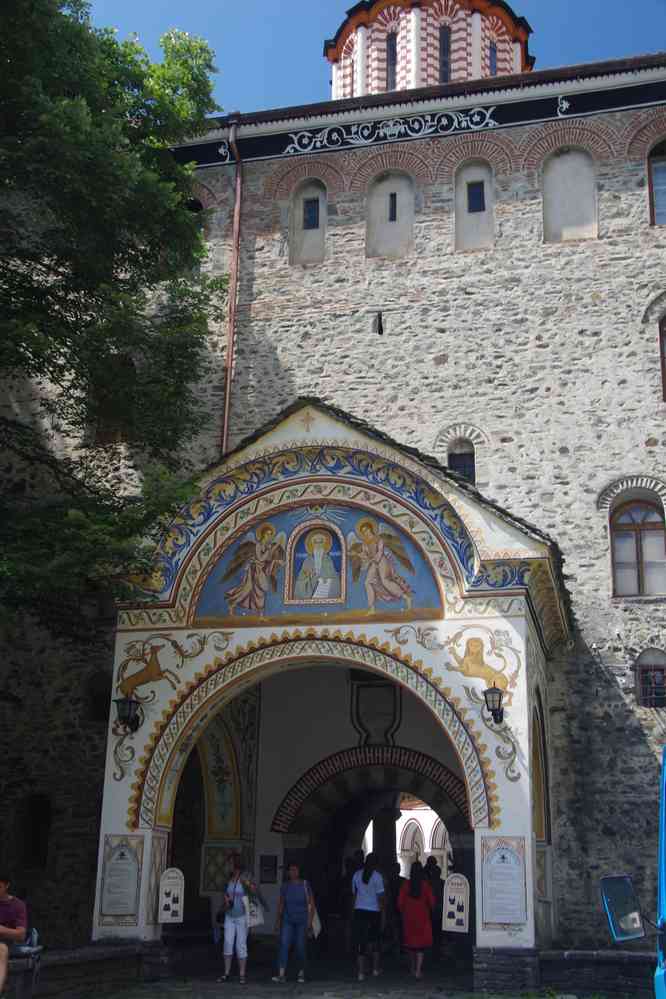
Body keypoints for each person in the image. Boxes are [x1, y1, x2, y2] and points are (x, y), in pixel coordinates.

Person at [217, 854, 257, 984]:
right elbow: (225, 894)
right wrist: (226, 900)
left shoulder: (245, 878)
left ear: (236, 865)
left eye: (230, 863)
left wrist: (251, 887)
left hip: (242, 917)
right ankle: (226, 973)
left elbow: (253, 893)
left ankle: (242, 974)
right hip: (230, 915)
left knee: (241, 945)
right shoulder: (228, 879)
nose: (228, 866)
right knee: (227, 943)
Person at [272, 863, 314, 984]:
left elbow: (311, 904)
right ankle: (281, 974)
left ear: (299, 871)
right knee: (284, 944)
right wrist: (277, 921)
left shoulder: (305, 884)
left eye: (295, 870)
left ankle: (301, 972)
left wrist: (310, 923)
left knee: (300, 946)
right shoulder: (285, 886)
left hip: (302, 920)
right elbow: (281, 904)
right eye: (290, 870)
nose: (293, 872)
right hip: (287, 920)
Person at [351, 853, 385, 982]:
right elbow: (381, 899)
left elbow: (354, 896)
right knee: (375, 941)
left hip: (359, 911)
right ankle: (375, 969)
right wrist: (384, 916)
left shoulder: (356, 875)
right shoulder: (377, 877)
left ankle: (360, 972)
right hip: (374, 912)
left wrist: (352, 913)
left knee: (361, 942)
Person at [398, 861, 434, 980]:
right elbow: (432, 902)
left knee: (410, 945)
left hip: (408, 918)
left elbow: (399, 903)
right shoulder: (425, 885)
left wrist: (403, 912)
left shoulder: (405, 885)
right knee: (420, 946)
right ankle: (418, 971)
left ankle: (412, 968)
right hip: (422, 918)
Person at [0, 875, 27, 994]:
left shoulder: (17, 905)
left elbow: (21, 934)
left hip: (6, 943)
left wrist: (2, 930)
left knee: (2, 949)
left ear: (7, 886)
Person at [424, 856, 444, 959]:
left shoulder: (429, 882)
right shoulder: (440, 883)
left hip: (433, 909)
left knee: (434, 930)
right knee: (436, 931)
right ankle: (436, 950)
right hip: (436, 909)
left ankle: (433, 949)